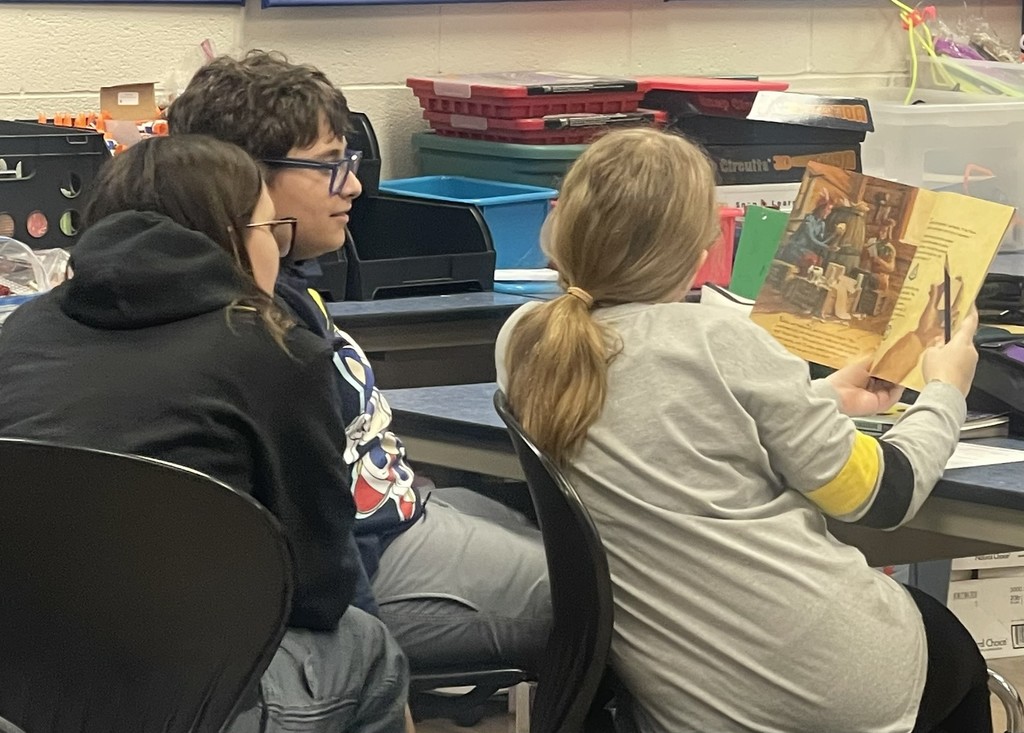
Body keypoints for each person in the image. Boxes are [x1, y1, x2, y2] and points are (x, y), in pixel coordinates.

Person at [496, 127, 989, 733]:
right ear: (701, 245)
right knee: (952, 649)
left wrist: (818, 397)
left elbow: (665, 420)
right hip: (818, 673)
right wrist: (945, 390)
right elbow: (878, 496)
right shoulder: (720, 342)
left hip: (688, 693)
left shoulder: (528, 342)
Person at [0, 135, 409, 733]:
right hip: (191, 702)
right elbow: (319, 588)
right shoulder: (274, 352)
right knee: (365, 645)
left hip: (20, 689)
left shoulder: (23, 331)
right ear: (233, 240)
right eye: (272, 231)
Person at [166, 50, 551, 674]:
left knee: (537, 529)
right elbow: (317, 548)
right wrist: (366, 673)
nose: (353, 185)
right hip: (368, 562)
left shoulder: (286, 287)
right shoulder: (253, 333)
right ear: (239, 180)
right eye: (327, 167)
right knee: (618, 596)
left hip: (389, 521)